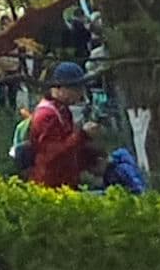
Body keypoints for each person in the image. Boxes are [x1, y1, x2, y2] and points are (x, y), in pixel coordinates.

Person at [16, 62, 104, 191]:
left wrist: (91, 157)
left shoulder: (63, 111)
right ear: (59, 88)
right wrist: (83, 135)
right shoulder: (46, 115)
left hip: (66, 183)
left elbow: (69, 149)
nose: (80, 94)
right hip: (49, 186)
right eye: (75, 89)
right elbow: (52, 154)